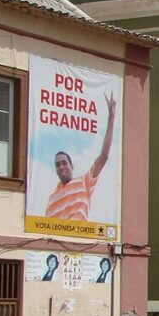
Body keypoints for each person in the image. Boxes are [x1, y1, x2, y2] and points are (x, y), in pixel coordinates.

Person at [45, 93, 116, 221]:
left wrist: (111, 118)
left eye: (64, 163)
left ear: (71, 166)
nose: (61, 167)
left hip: (79, 238)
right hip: (58, 239)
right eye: (58, 165)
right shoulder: (51, 199)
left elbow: (104, 156)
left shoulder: (84, 182)